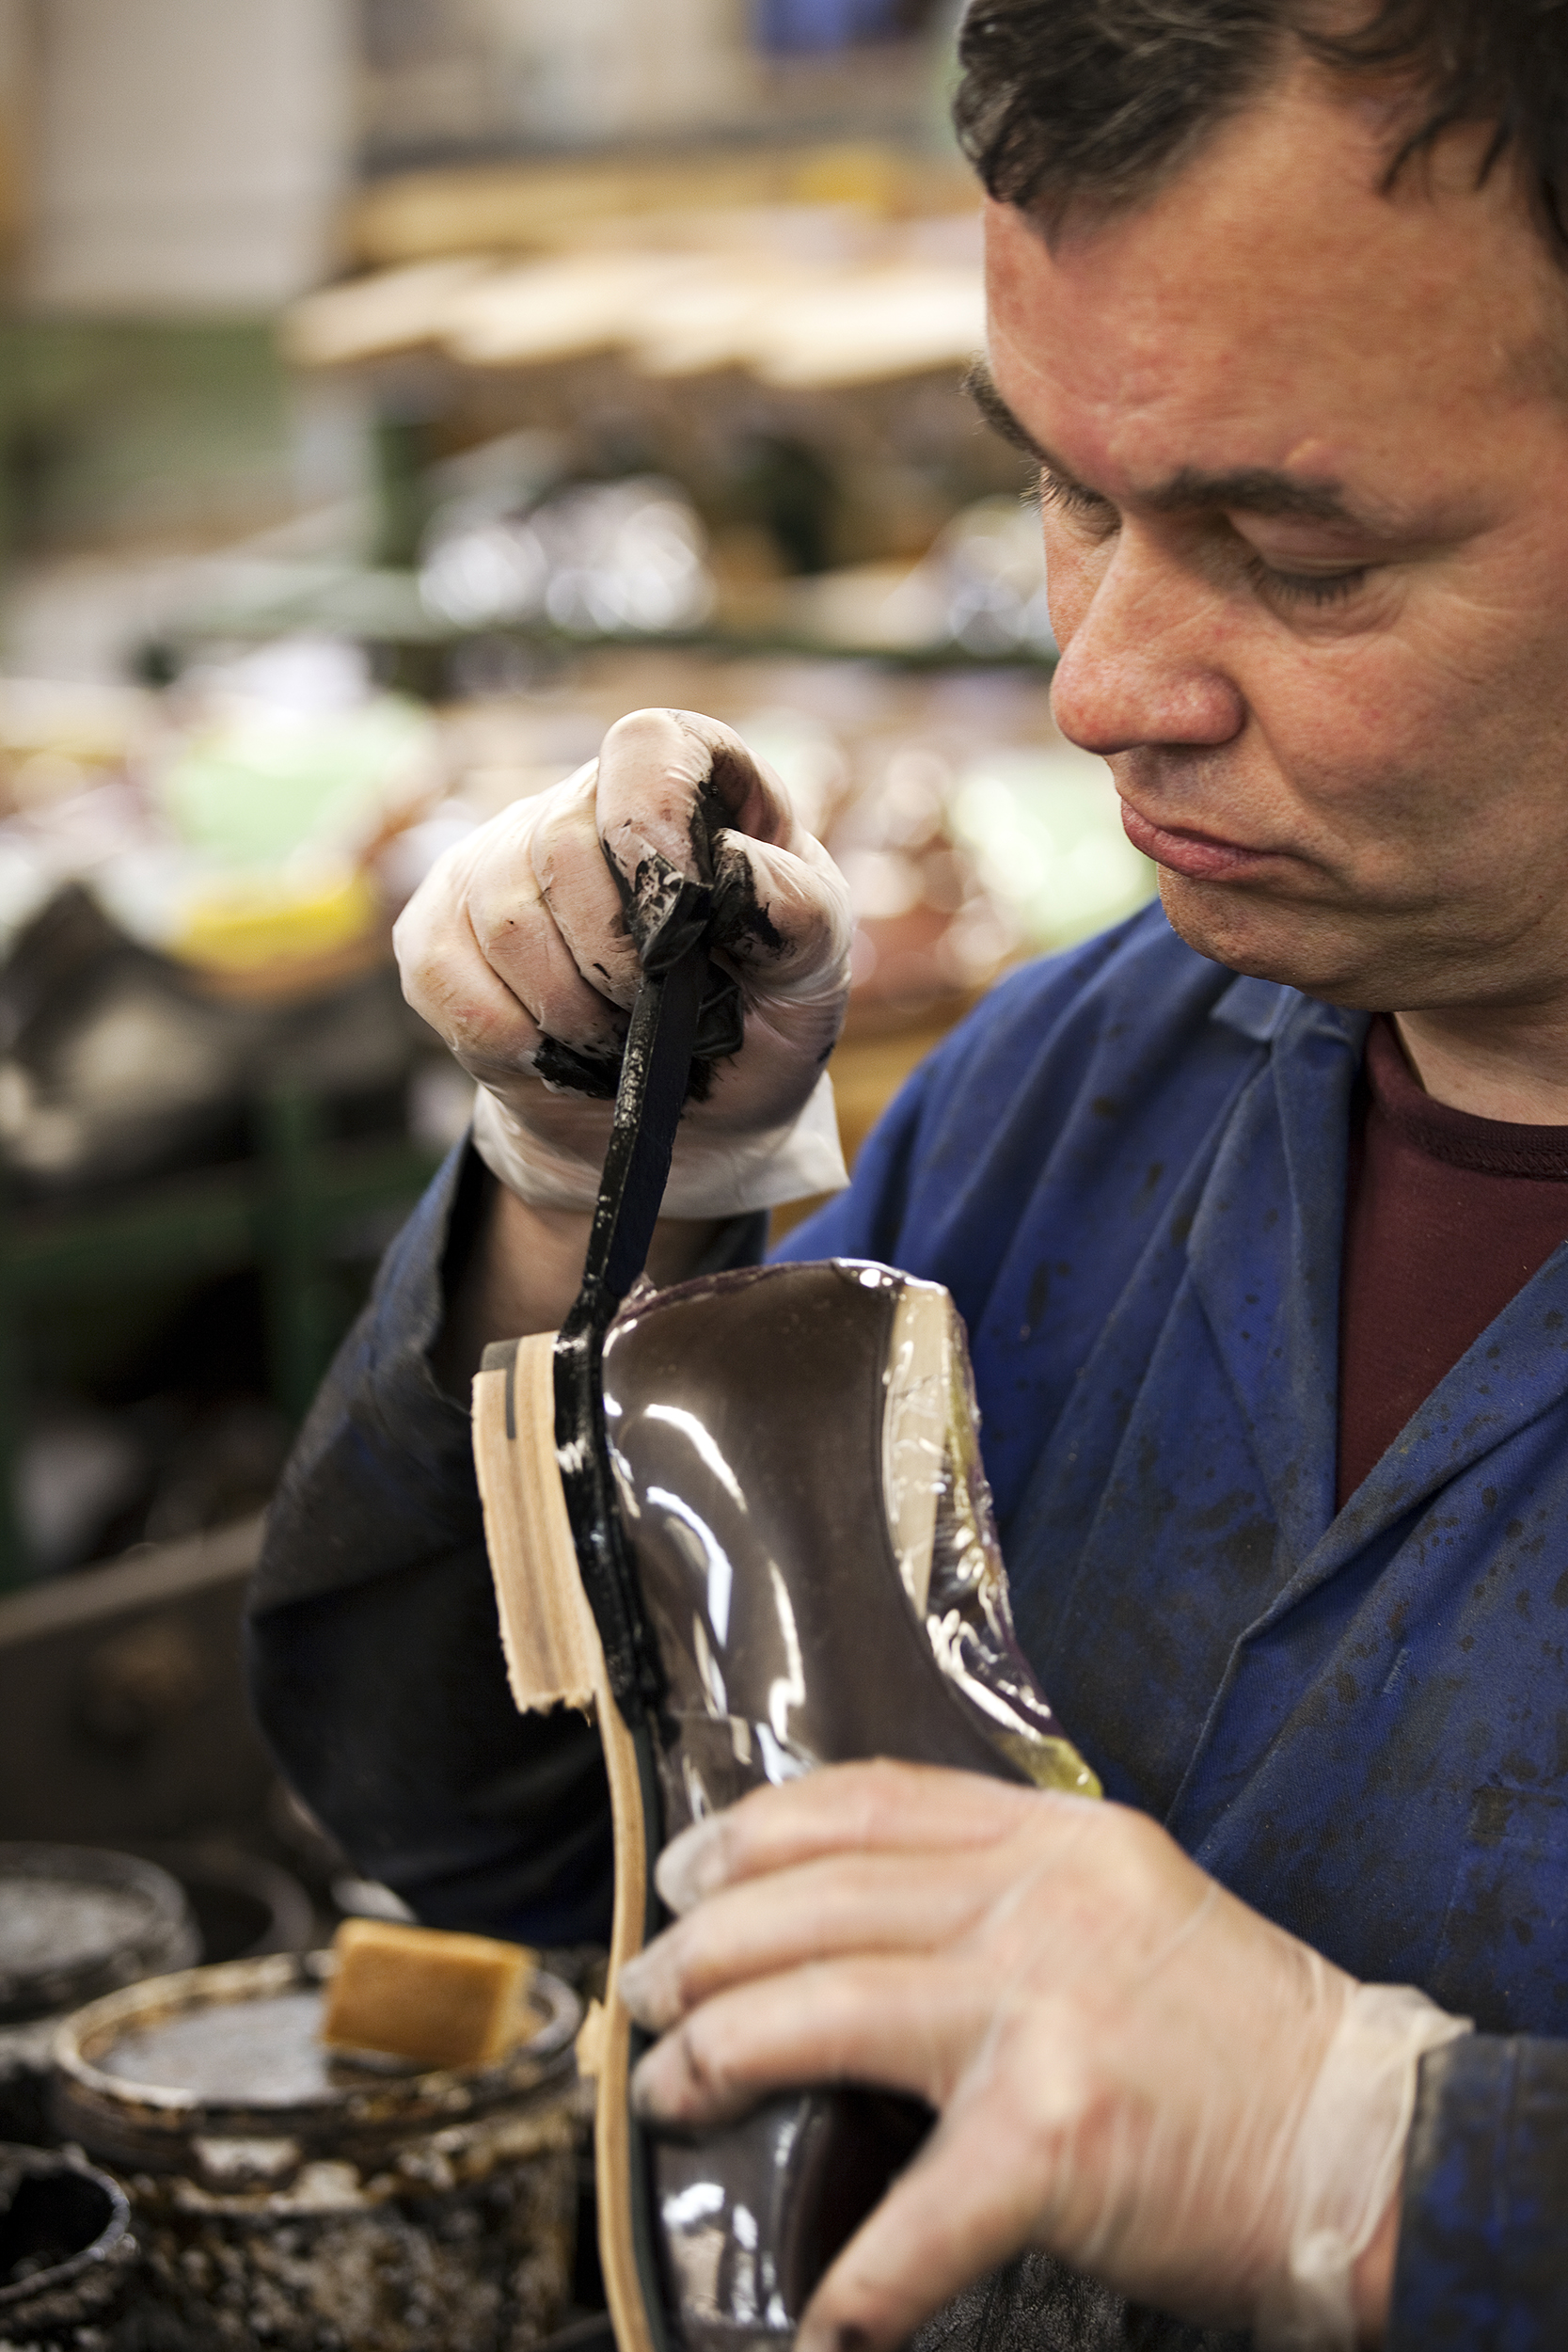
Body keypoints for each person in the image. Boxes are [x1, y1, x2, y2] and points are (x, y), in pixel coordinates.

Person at [248, 3, 1568, 2344]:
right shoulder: (1084, 1092)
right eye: (1066, 492)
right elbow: (529, 1849)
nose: (1103, 677)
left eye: (1296, 552)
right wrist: (604, 1207)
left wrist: (1391, 2158)